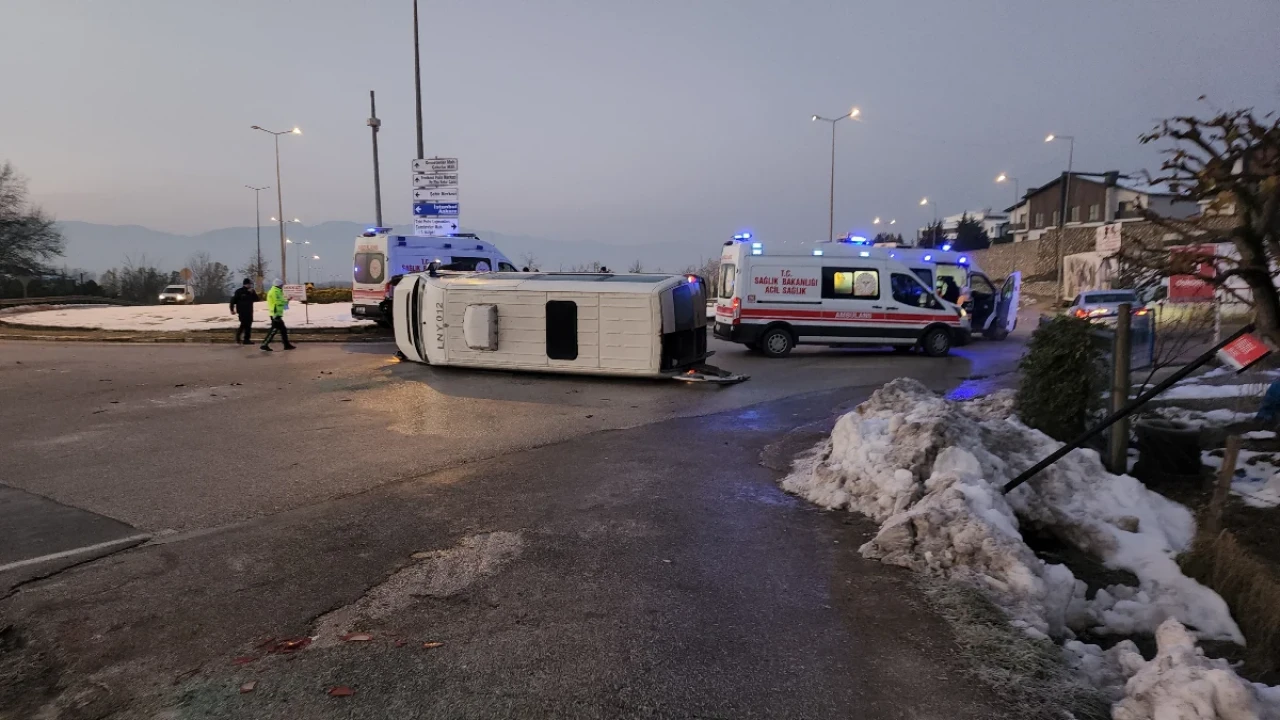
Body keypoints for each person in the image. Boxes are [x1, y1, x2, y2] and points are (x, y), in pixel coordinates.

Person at [261, 279, 296, 351]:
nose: (282, 286)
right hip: (275, 313)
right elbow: (278, 302)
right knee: (274, 330)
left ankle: (286, 345)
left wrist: (286, 300)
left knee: (282, 330)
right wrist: (286, 301)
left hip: (277, 313)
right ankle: (264, 344)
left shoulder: (277, 291)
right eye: (281, 285)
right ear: (279, 285)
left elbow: (280, 301)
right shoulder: (274, 292)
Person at [229, 278, 258, 345]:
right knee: (243, 324)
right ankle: (238, 338)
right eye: (249, 284)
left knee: (249, 325)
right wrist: (232, 309)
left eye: (251, 284)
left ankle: (246, 339)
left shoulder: (251, 291)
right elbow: (233, 301)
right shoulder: (239, 291)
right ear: (246, 284)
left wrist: (253, 293)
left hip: (249, 311)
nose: (250, 285)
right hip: (242, 311)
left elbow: (257, 299)